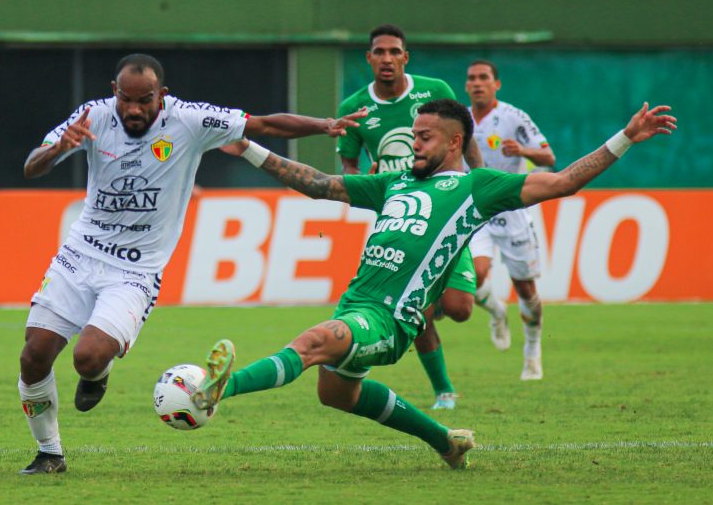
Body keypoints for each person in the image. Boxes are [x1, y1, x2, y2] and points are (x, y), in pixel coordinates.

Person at [209, 98, 675, 469]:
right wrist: (250, 148)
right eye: (413, 135)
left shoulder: (478, 188)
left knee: (311, 343)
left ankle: (216, 391)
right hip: (356, 305)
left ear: (454, 143)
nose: (414, 144)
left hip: (393, 320)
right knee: (337, 395)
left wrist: (626, 138)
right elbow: (317, 183)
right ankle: (446, 442)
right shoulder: (393, 184)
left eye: (424, 137)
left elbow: (563, 182)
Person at [17, 53, 366, 475]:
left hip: (136, 271)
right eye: (125, 99)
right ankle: (50, 452)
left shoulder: (190, 121)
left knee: (87, 358)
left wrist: (323, 125)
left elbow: (264, 124)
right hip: (79, 255)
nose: (133, 109)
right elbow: (32, 165)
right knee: (34, 355)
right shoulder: (93, 115)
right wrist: (58, 148)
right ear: (114, 92)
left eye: (144, 100)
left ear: (161, 95)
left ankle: (99, 370)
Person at [337, 24, 484, 410]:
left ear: (406, 57)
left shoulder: (436, 91)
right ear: (369, 58)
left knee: (460, 309)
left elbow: (466, 141)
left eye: (394, 52)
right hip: (404, 219)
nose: (387, 59)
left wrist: (481, 185)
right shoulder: (353, 108)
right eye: (379, 52)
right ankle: (444, 391)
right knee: (414, 308)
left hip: (447, 211)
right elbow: (348, 167)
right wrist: (363, 182)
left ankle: (464, 296)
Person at [464, 59, 556, 380]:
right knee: (473, 275)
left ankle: (532, 350)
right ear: (466, 85)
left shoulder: (513, 118)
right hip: (476, 210)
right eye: (472, 78)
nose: (477, 83)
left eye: (484, 78)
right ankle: (496, 311)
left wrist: (523, 151)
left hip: (512, 209)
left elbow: (549, 156)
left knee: (526, 289)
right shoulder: (459, 120)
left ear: (496, 84)